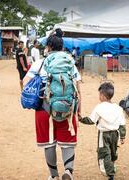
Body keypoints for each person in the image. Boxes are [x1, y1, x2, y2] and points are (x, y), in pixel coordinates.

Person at [23, 28, 82, 180]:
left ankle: (54, 175)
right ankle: (68, 171)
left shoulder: (40, 63)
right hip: (67, 108)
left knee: (48, 143)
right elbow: (78, 89)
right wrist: (78, 111)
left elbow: (25, 83)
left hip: (44, 109)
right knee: (67, 142)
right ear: (62, 47)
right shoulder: (70, 63)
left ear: (48, 47)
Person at [79, 82, 126, 180]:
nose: (99, 96)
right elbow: (122, 124)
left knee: (104, 153)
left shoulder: (99, 107)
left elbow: (91, 120)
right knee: (113, 151)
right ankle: (112, 166)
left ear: (103, 96)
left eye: (99, 94)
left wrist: (81, 119)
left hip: (103, 135)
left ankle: (110, 174)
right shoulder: (118, 108)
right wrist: (122, 137)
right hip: (115, 135)